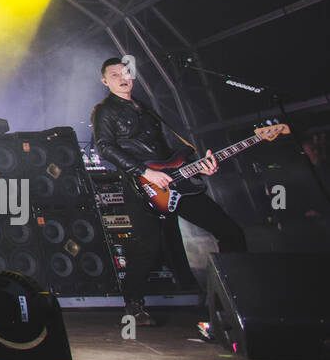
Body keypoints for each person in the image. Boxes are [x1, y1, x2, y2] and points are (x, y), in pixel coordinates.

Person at [91, 58, 246, 326]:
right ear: (105, 81)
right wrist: (144, 171)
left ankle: (232, 299)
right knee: (146, 248)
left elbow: (170, 149)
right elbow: (105, 147)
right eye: (114, 74)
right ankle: (134, 308)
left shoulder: (147, 109)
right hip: (142, 186)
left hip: (175, 182)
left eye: (125, 72)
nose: (121, 77)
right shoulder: (105, 111)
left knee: (229, 230)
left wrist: (199, 167)